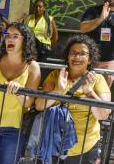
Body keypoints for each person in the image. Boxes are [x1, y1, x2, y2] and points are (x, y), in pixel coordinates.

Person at [35, 35, 111, 164]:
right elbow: (39, 105)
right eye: (73, 53)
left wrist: (90, 93)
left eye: (82, 54)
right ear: (67, 56)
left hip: (85, 148)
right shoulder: (55, 75)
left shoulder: (97, 79)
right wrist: (58, 90)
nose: (77, 57)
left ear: (89, 59)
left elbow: (103, 115)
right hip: (54, 145)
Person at [0, 22, 41, 164]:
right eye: (7, 35)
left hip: (14, 128)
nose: (9, 39)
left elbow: (29, 102)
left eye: (15, 36)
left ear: (25, 40)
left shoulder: (32, 67)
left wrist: (19, 92)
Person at [80, 0, 114, 87]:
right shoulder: (93, 10)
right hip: (91, 60)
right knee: (86, 90)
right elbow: (83, 28)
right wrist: (100, 19)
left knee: (103, 92)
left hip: (110, 62)